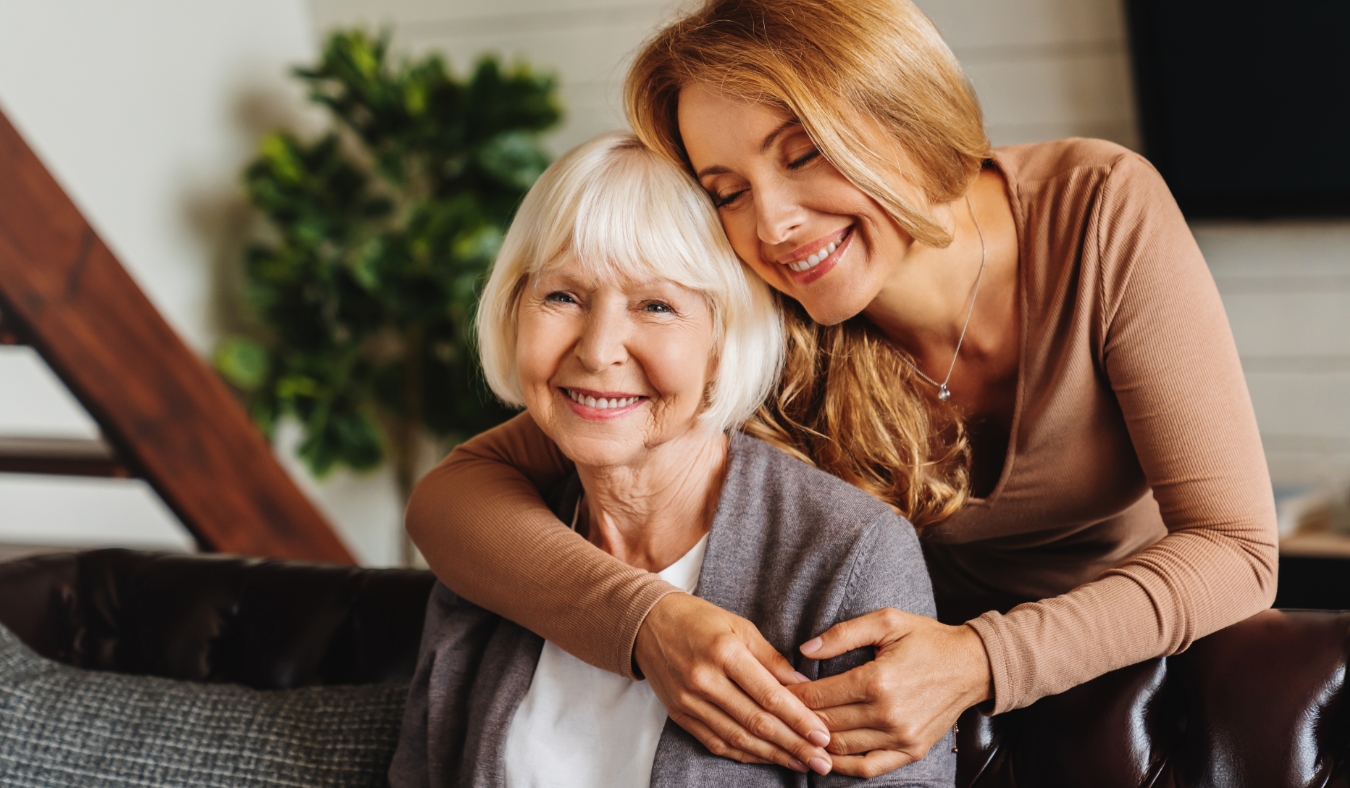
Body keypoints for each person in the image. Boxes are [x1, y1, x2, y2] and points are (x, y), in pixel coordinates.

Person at [405, 0, 1278, 779]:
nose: (773, 224)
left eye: (805, 154)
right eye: (728, 192)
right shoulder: (767, 320)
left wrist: (978, 658)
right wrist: (647, 625)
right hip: (887, 713)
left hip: (1130, 681)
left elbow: (1238, 550)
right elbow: (454, 498)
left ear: (900, 111)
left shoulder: (1098, 209)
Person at [390, 132, 955, 787]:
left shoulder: (846, 553)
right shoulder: (495, 552)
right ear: (513, 311)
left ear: (724, 338)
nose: (599, 350)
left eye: (656, 305)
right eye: (562, 297)